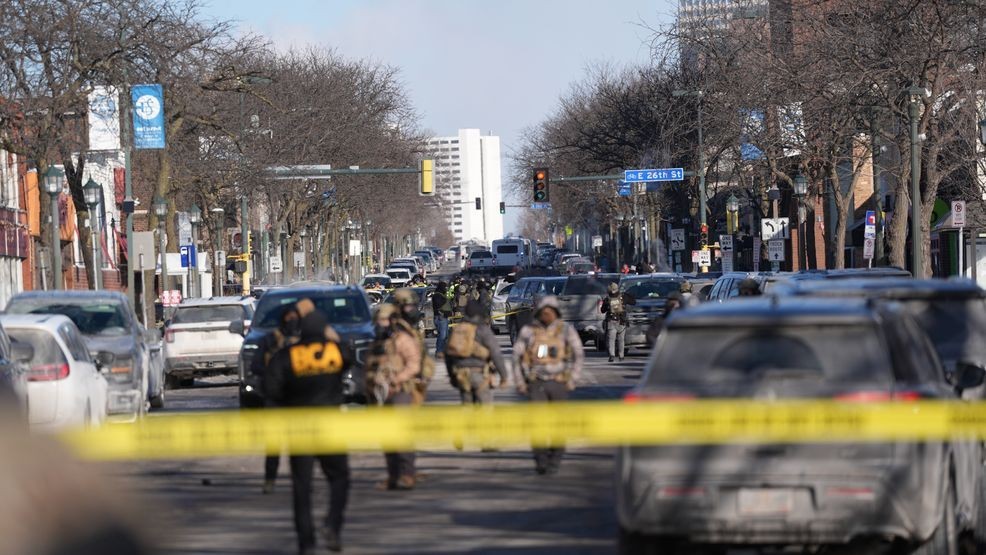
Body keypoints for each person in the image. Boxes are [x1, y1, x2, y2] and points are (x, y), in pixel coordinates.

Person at [263, 300, 351, 554]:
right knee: (339, 478)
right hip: (331, 427)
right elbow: (349, 357)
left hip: (299, 428)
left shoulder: (288, 355)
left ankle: (306, 542)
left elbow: (271, 389)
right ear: (324, 329)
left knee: (301, 487)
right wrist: (332, 336)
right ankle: (333, 525)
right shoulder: (334, 351)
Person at [512, 296, 584, 475]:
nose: (547, 315)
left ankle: (554, 460)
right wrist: (521, 382)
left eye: (550, 311)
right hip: (536, 383)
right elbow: (517, 357)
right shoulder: (529, 331)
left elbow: (578, 354)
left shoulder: (565, 330)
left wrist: (572, 379)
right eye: (544, 312)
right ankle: (541, 460)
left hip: (559, 382)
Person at [365, 303, 423, 490]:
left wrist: (397, 378)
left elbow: (414, 364)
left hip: (400, 392)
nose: (381, 324)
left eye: (384, 320)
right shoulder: (376, 343)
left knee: (403, 436)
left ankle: (407, 475)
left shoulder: (402, 340)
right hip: (380, 395)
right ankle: (393, 475)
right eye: (378, 320)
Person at [251, 304, 303, 494]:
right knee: (273, 446)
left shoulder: (304, 341)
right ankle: (270, 480)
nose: (291, 321)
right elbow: (256, 365)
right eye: (288, 317)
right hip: (276, 399)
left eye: (294, 317)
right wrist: (272, 375)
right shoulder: (271, 339)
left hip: (298, 401)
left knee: (300, 448)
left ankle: (302, 482)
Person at [445, 300, 508, 406]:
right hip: (480, 374)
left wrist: (452, 376)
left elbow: (448, 355)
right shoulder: (482, 329)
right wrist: (503, 376)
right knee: (485, 411)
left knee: (468, 409)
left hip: (462, 375)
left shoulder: (458, 330)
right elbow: (495, 352)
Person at [601, 282, 636, 363]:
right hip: (622, 321)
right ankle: (621, 356)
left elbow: (602, 310)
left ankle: (612, 355)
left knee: (611, 339)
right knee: (621, 339)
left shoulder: (607, 299)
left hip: (611, 321)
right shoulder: (623, 296)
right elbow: (634, 302)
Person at [432, 281, 453, 357]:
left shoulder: (441, 295)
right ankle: (439, 351)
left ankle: (443, 350)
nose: (446, 289)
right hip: (441, 317)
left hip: (444, 318)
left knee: (445, 336)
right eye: (445, 287)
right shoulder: (437, 295)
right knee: (442, 336)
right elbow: (438, 305)